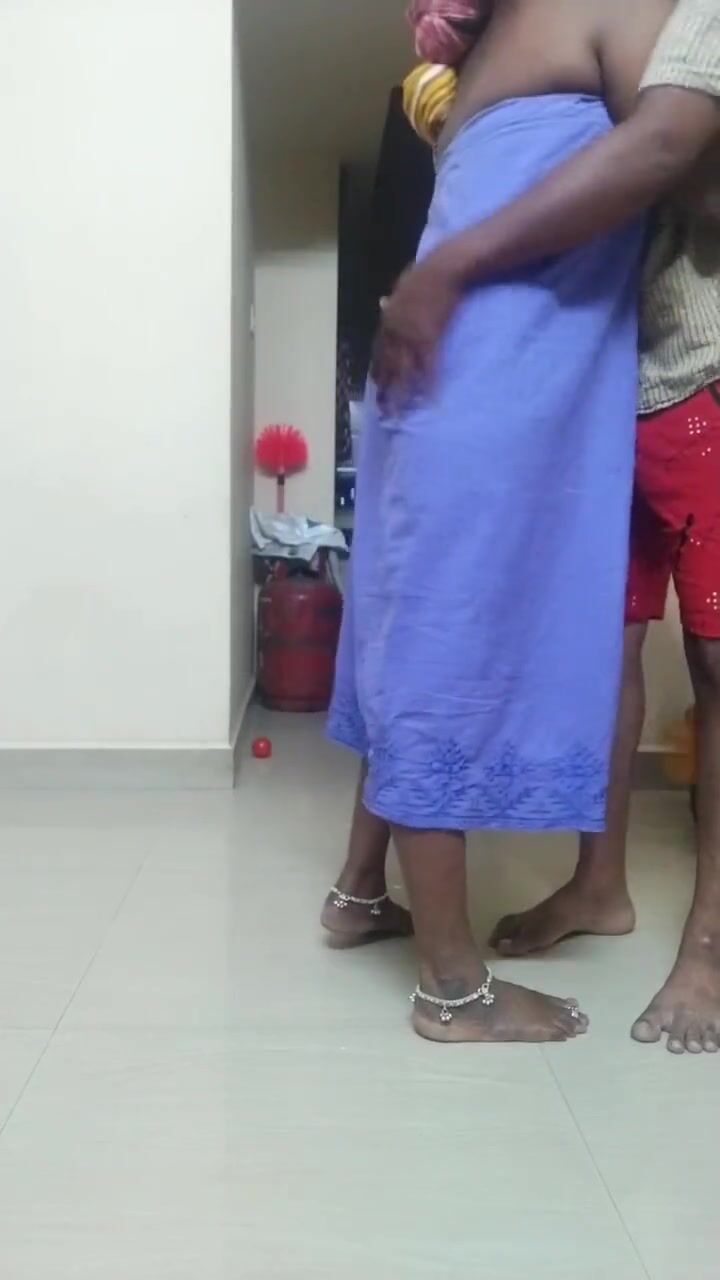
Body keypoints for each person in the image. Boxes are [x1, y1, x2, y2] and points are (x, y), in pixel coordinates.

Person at [333, 0, 720, 1055]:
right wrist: (446, 271)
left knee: (411, 632)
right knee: (442, 644)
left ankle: (361, 890)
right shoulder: (583, 17)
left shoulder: (501, 54)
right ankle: (453, 988)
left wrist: (443, 270)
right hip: (498, 375)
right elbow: (669, 153)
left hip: (455, 374)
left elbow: (663, 152)